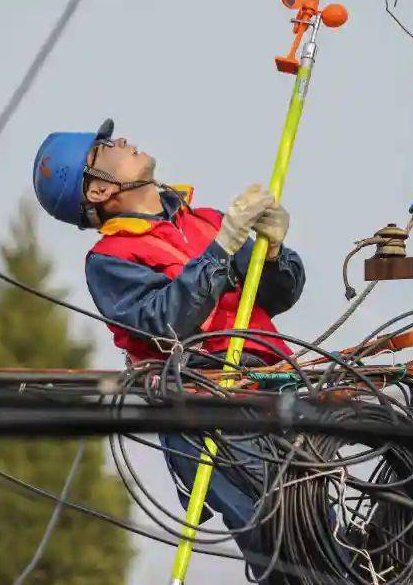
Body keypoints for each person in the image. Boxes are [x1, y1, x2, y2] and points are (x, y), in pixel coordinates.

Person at [32, 119, 305, 580]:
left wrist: (274, 253)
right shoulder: (112, 258)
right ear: (98, 190)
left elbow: (276, 296)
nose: (121, 141)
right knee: (280, 534)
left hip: (278, 392)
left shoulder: (207, 222)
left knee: (318, 517)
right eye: (105, 148)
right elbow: (165, 322)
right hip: (209, 415)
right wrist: (221, 251)